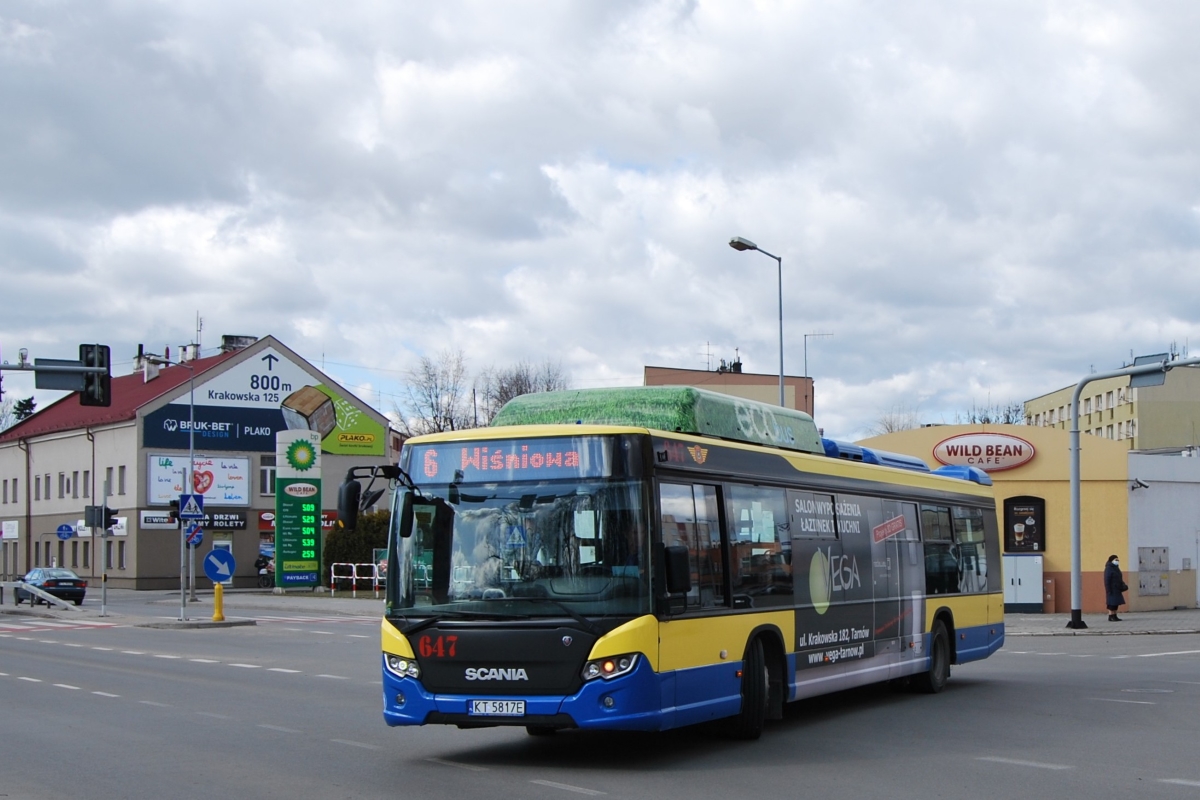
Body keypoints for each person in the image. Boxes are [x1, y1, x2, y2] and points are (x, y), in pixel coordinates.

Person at [1104, 554, 1128, 622]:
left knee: (1116, 603)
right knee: (1111, 604)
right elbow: (1107, 579)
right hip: (1112, 589)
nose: (1117, 561)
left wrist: (1122, 584)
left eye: (1118, 560)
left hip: (1117, 588)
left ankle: (1115, 615)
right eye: (1115, 560)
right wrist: (1108, 590)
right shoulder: (1109, 568)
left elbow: (1119, 577)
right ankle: (1111, 616)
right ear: (1111, 560)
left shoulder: (1116, 568)